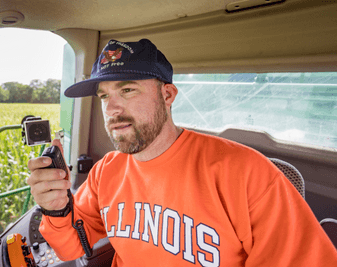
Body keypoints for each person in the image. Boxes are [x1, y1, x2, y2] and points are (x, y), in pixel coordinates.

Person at [27, 39, 337, 266]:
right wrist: (56, 209)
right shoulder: (107, 169)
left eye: (128, 90)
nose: (111, 108)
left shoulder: (246, 173)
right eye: (104, 96)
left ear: (167, 94)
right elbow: (71, 249)